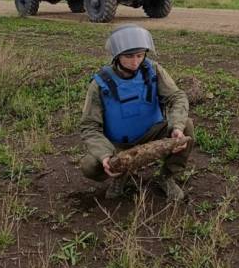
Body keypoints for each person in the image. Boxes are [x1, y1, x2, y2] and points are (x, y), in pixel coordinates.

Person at [79, 24, 193, 202]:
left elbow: (177, 97)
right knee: (90, 166)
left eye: (140, 55)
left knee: (186, 126)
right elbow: (89, 126)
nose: (135, 62)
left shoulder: (153, 70)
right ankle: (120, 176)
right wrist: (105, 155)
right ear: (117, 56)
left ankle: (166, 177)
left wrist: (177, 126)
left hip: (152, 134)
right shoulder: (100, 84)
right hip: (118, 146)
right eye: (129, 56)